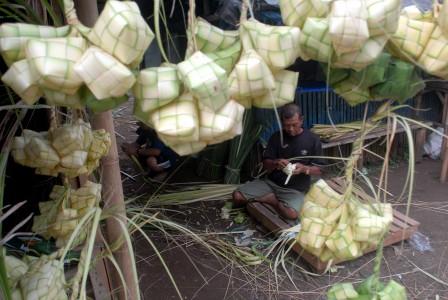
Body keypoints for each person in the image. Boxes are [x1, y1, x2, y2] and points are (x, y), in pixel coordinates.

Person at [232, 103, 323, 220]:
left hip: (294, 189)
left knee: (292, 214)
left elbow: (320, 170)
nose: (290, 129)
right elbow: (265, 164)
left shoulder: (313, 140)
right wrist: (276, 163)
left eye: (294, 125)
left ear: (301, 120)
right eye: (286, 125)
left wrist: (304, 169)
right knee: (237, 196)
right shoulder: (276, 137)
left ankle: (272, 200)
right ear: (281, 122)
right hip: (271, 183)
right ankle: (271, 198)